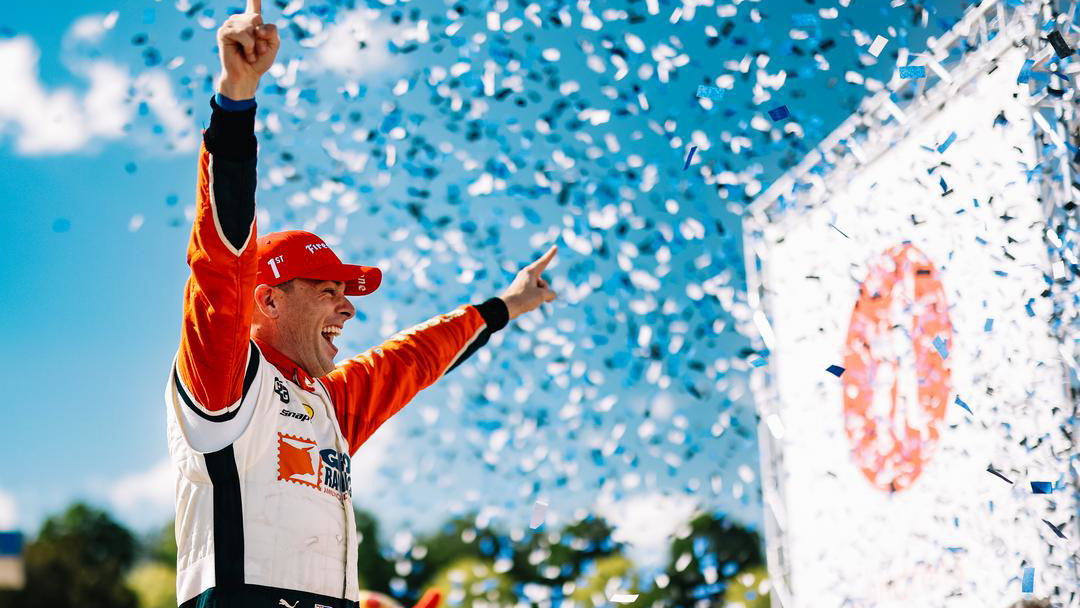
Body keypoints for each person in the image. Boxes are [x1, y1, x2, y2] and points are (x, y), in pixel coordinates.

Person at [164, 1, 559, 606]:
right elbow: (222, 256)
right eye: (327, 291)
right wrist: (236, 100)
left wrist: (504, 306)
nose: (348, 309)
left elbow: (416, 358)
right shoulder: (224, 378)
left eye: (346, 294)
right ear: (267, 300)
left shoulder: (330, 401)